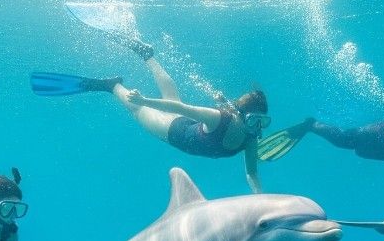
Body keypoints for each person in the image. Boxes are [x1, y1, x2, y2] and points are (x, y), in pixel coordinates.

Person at [31, 25, 269, 194]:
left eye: (262, 122)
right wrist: (143, 101)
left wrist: (259, 195)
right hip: (173, 130)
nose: (257, 127)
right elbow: (181, 107)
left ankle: (146, 55)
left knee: (171, 94)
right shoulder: (219, 118)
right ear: (239, 114)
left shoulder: (250, 139)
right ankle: (112, 85)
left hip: (186, 127)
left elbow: (252, 173)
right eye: (253, 120)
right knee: (137, 110)